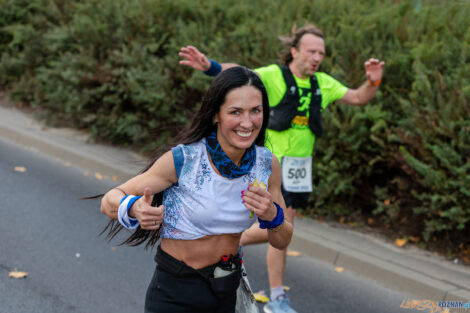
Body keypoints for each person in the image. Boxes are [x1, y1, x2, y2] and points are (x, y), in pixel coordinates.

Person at [179, 24, 385, 313]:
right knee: (274, 228)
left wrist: (373, 82)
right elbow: (240, 73)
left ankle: (269, 289)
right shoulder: (276, 76)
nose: (316, 57)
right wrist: (210, 66)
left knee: (281, 229)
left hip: (300, 168)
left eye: (321, 53)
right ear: (294, 51)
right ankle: (234, 255)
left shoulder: (321, 83)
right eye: (311, 51)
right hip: (269, 165)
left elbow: (358, 97)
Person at [100, 66, 293, 313]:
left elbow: (282, 239)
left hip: (226, 289)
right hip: (176, 291)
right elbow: (109, 201)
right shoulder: (186, 159)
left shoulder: (267, 165)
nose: (248, 122)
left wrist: (272, 216)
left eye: (255, 111)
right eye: (236, 112)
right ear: (215, 114)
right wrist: (134, 207)